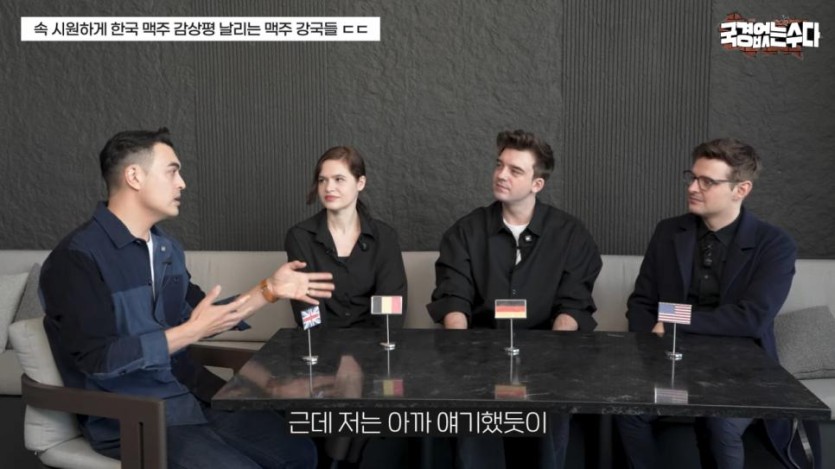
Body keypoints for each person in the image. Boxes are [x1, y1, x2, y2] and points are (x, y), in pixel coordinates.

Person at [40, 128, 335, 469]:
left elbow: (202, 314)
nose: (182, 183)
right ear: (134, 176)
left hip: (192, 394)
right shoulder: (76, 258)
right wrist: (190, 332)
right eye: (172, 171)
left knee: (300, 453)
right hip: (135, 416)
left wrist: (268, 290)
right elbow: (99, 360)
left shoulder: (166, 249)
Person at [617, 138, 820, 469]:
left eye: (707, 181)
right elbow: (642, 302)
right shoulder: (668, 232)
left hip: (742, 372)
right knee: (628, 412)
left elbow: (751, 318)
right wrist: (650, 348)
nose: (692, 188)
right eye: (692, 177)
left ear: (741, 189)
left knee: (720, 422)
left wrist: (674, 319)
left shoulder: (774, 244)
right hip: (672, 365)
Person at [427, 129, 603, 469]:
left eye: (515, 170)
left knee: (551, 408)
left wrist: (551, 363)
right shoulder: (466, 230)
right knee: (471, 408)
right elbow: (454, 298)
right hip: (479, 353)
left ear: (537, 184)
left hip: (547, 354)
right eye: (499, 165)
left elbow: (573, 306)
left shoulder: (570, 234)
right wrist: (461, 356)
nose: (501, 175)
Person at [285, 146, 407, 328]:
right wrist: (324, 345)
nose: (328, 188)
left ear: (360, 183)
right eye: (322, 180)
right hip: (318, 341)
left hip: (375, 341)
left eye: (339, 179)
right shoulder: (300, 237)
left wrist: (377, 344)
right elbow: (307, 307)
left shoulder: (385, 237)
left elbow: (390, 309)